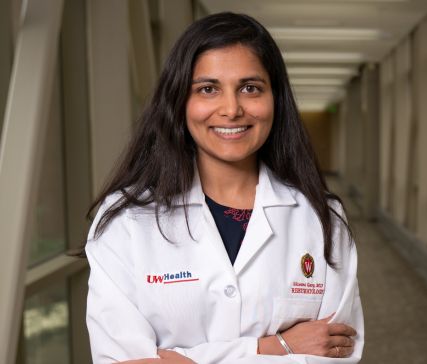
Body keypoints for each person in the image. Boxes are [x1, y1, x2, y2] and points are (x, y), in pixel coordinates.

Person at [84, 12, 364, 364]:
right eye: (208, 89)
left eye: (250, 88)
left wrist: (185, 358)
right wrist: (274, 347)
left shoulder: (322, 218)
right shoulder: (126, 222)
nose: (231, 109)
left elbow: (335, 355)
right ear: (179, 102)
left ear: (275, 99)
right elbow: (120, 360)